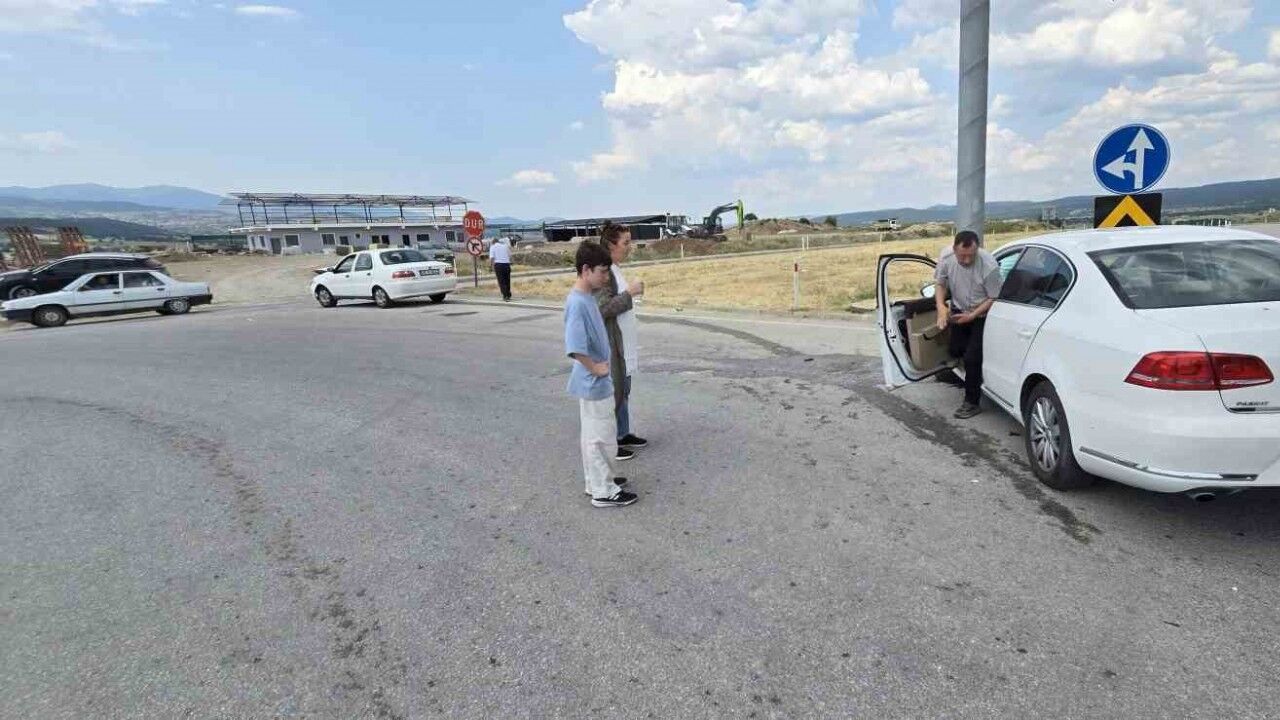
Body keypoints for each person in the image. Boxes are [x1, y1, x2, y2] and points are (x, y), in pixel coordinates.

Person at [564, 241, 637, 508]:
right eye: (602, 272)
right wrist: (595, 368)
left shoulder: (586, 298)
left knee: (593, 437)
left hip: (594, 381)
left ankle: (595, 482)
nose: (606, 277)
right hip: (593, 381)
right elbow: (575, 346)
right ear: (586, 270)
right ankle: (604, 491)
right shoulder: (578, 302)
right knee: (602, 438)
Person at [934, 230, 1002, 419]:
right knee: (955, 350)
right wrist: (941, 307)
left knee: (973, 357)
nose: (966, 260)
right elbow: (940, 284)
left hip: (981, 314)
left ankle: (972, 402)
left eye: (971, 255)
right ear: (954, 249)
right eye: (962, 256)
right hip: (958, 310)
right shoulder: (946, 257)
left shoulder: (989, 266)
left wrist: (972, 316)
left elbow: (993, 297)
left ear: (977, 249)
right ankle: (965, 377)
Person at [594, 221, 647, 462]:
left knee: (624, 390)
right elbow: (602, 308)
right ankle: (611, 442)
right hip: (613, 344)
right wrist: (629, 293)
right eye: (626, 242)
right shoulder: (605, 273)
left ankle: (623, 434)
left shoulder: (615, 268)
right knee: (615, 393)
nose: (629, 246)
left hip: (623, 343)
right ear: (611, 245)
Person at [489, 236, 513, 301]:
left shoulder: (492, 247)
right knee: (507, 280)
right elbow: (510, 256)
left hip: (498, 265)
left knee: (501, 281)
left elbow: (492, 258)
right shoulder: (505, 246)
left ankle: (505, 295)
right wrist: (510, 262)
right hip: (506, 265)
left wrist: (490, 266)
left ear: (493, 242)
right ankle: (508, 294)